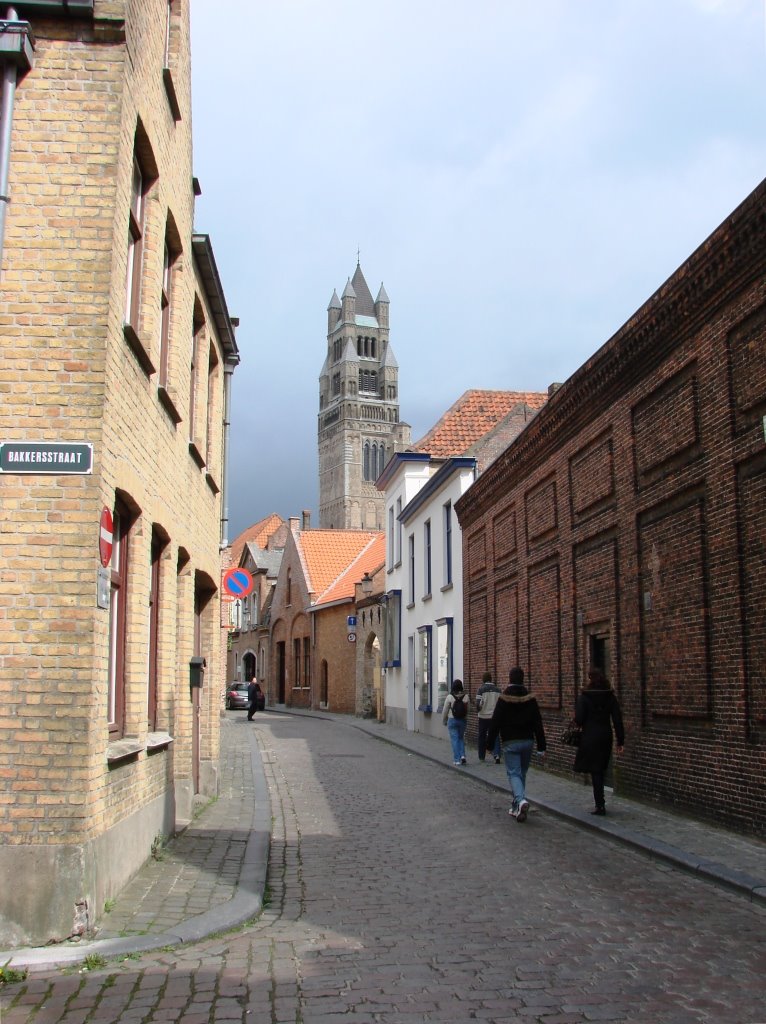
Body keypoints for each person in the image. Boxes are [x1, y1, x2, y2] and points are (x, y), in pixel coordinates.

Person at [486, 667, 546, 822]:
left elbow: (495, 722)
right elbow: (537, 723)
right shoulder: (530, 699)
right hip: (528, 741)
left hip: (511, 741)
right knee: (521, 774)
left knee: (513, 773)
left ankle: (520, 800)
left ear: (510, 679)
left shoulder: (504, 698)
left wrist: (489, 744)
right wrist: (542, 746)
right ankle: (516, 807)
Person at [573, 668, 624, 815]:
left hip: (589, 736)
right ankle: (600, 803)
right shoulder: (610, 697)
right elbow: (617, 720)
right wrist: (620, 741)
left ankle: (600, 804)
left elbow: (580, 719)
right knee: (600, 768)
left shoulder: (584, 697)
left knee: (595, 770)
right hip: (605, 736)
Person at [475, 671, 501, 763]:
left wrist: (478, 709)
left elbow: (478, 704)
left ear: (483, 679)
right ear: (491, 679)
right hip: (494, 716)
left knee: (482, 736)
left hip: (483, 716)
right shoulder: (498, 690)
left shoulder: (481, 689)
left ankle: (482, 756)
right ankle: (497, 755)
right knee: (495, 736)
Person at [442, 679, 469, 766]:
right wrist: (465, 718)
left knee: (454, 739)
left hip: (452, 720)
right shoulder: (466, 696)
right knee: (461, 738)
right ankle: (463, 756)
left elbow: (445, 710)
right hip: (462, 720)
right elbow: (468, 709)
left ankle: (457, 760)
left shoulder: (450, 697)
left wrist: (444, 720)